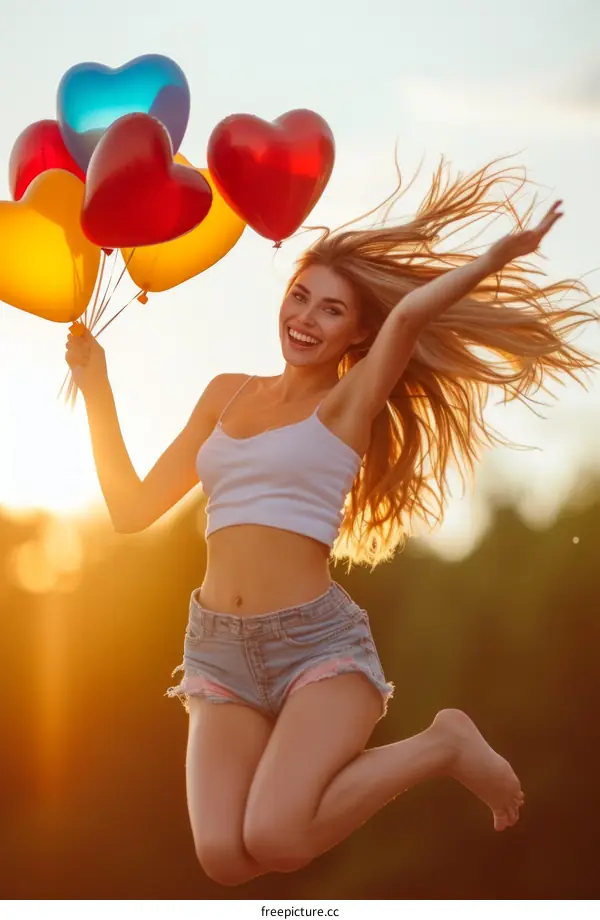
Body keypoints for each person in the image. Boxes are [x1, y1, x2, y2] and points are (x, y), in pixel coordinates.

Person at [65, 157, 597, 887]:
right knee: (224, 858)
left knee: (277, 837)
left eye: (331, 310)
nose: (305, 319)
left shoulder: (347, 406)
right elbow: (130, 511)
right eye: (300, 296)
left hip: (315, 649)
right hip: (217, 651)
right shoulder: (224, 395)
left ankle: (443, 744)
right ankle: (429, 749)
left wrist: (494, 258)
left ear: (358, 333)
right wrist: (96, 385)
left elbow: (408, 316)